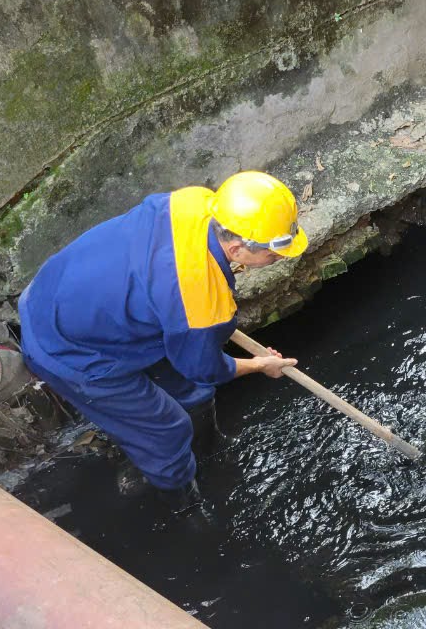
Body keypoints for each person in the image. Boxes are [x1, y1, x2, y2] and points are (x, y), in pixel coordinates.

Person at [18, 171, 308, 509]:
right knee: (168, 430)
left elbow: (191, 349)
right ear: (237, 248)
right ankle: (182, 500)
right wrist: (261, 365)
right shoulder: (200, 301)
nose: (281, 257)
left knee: (193, 392)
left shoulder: (195, 203)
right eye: (274, 253)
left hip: (63, 293)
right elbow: (207, 369)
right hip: (66, 347)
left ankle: (210, 445)